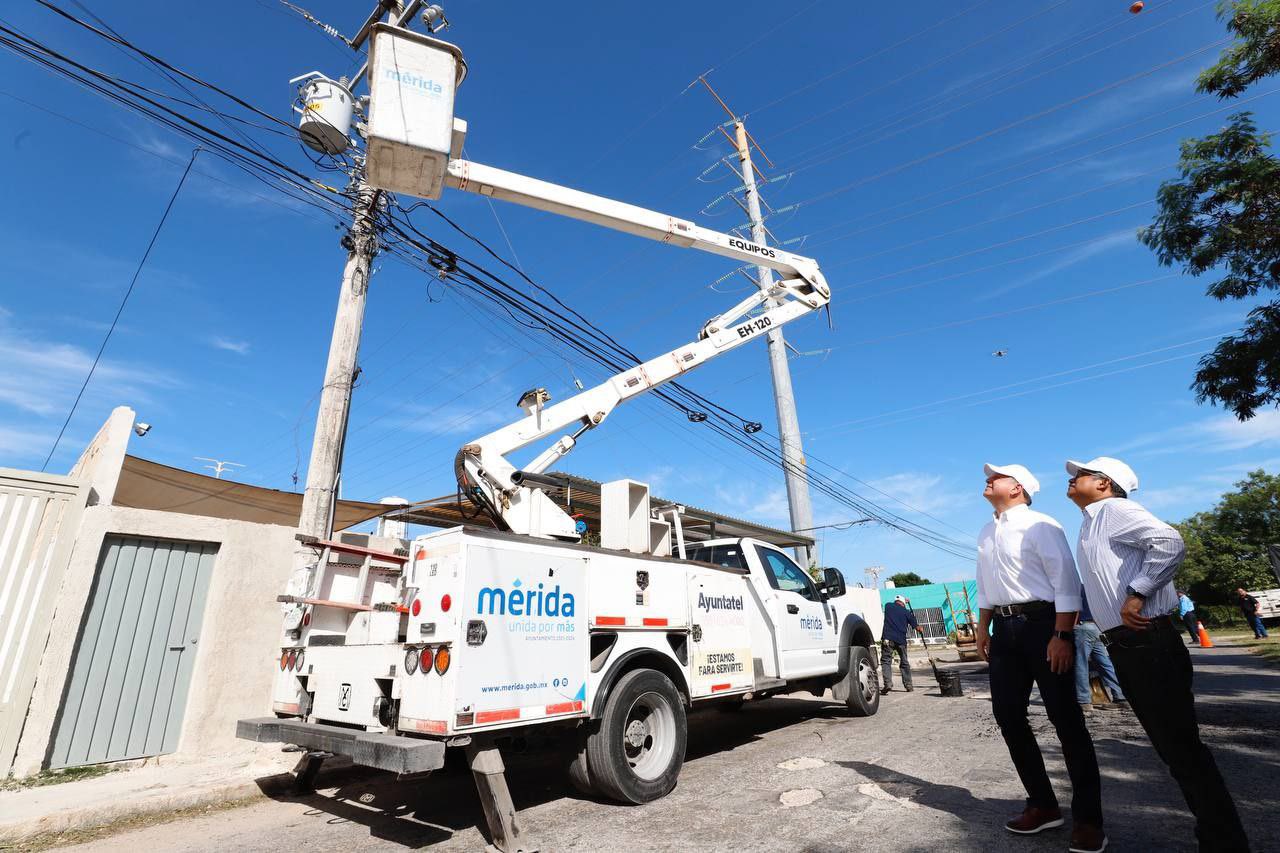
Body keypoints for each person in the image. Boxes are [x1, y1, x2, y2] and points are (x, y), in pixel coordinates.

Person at [1068, 456, 1250, 852]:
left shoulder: (1114, 509)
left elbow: (1169, 541)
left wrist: (1139, 592)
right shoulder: (1092, 521)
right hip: (1129, 645)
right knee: (1175, 749)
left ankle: (1224, 842)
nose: (1071, 478)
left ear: (1104, 483)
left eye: (1079, 473)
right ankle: (1218, 836)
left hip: (1146, 641)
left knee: (1182, 750)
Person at [976, 463, 1105, 853]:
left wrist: (1062, 634)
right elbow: (985, 585)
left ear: (1017, 488)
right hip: (1004, 630)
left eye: (995, 476)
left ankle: (1088, 820)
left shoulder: (1041, 524)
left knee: (1066, 719)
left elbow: (1065, 580)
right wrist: (983, 628)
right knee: (1009, 717)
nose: (987, 479)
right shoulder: (986, 530)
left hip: (1043, 625)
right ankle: (1043, 805)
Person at [1073, 598, 1127, 712]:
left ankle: (1084, 701)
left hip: (1081, 626)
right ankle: (1121, 697)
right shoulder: (1088, 587)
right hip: (1096, 626)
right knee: (1105, 663)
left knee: (1081, 664)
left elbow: (1073, 608)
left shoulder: (1073, 588)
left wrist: (1073, 626)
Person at [881, 594, 923, 692]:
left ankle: (888, 684)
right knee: (904, 662)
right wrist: (919, 628)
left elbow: (895, 605)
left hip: (888, 639)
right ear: (903, 603)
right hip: (901, 641)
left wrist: (904, 602)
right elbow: (917, 627)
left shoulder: (888, 606)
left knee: (886, 661)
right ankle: (908, 685)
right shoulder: (907, 612)